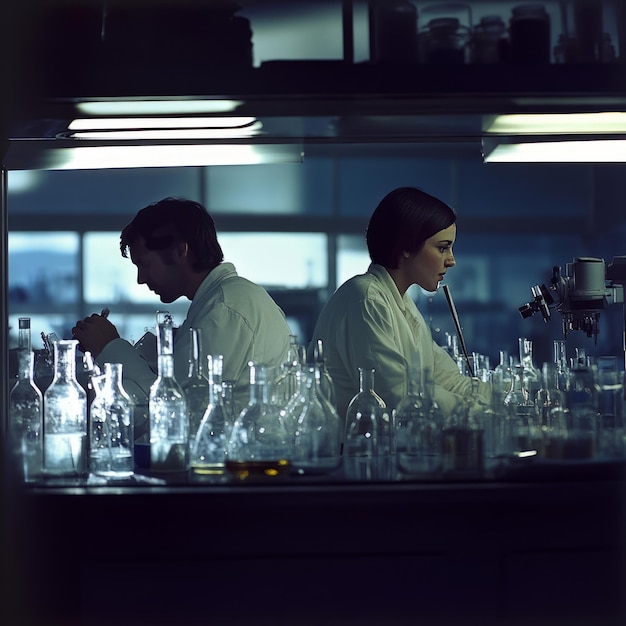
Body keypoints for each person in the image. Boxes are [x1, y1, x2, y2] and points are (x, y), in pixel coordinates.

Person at [72, 197, 293, 420]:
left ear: (180, 251)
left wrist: (110, 347)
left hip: (245, 451)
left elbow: (176, 411)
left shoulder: (223, 310)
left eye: (145, 264)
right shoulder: (224, 299)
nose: (141, 279)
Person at [307, 186, 489, 420]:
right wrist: (477, 412)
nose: (451, 260)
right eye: (442, 248)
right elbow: (399, 395)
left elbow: (448, 380)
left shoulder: (402, 304)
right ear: (406, 245)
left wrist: (504, 400)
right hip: (353, 452)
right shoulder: (366, 299)